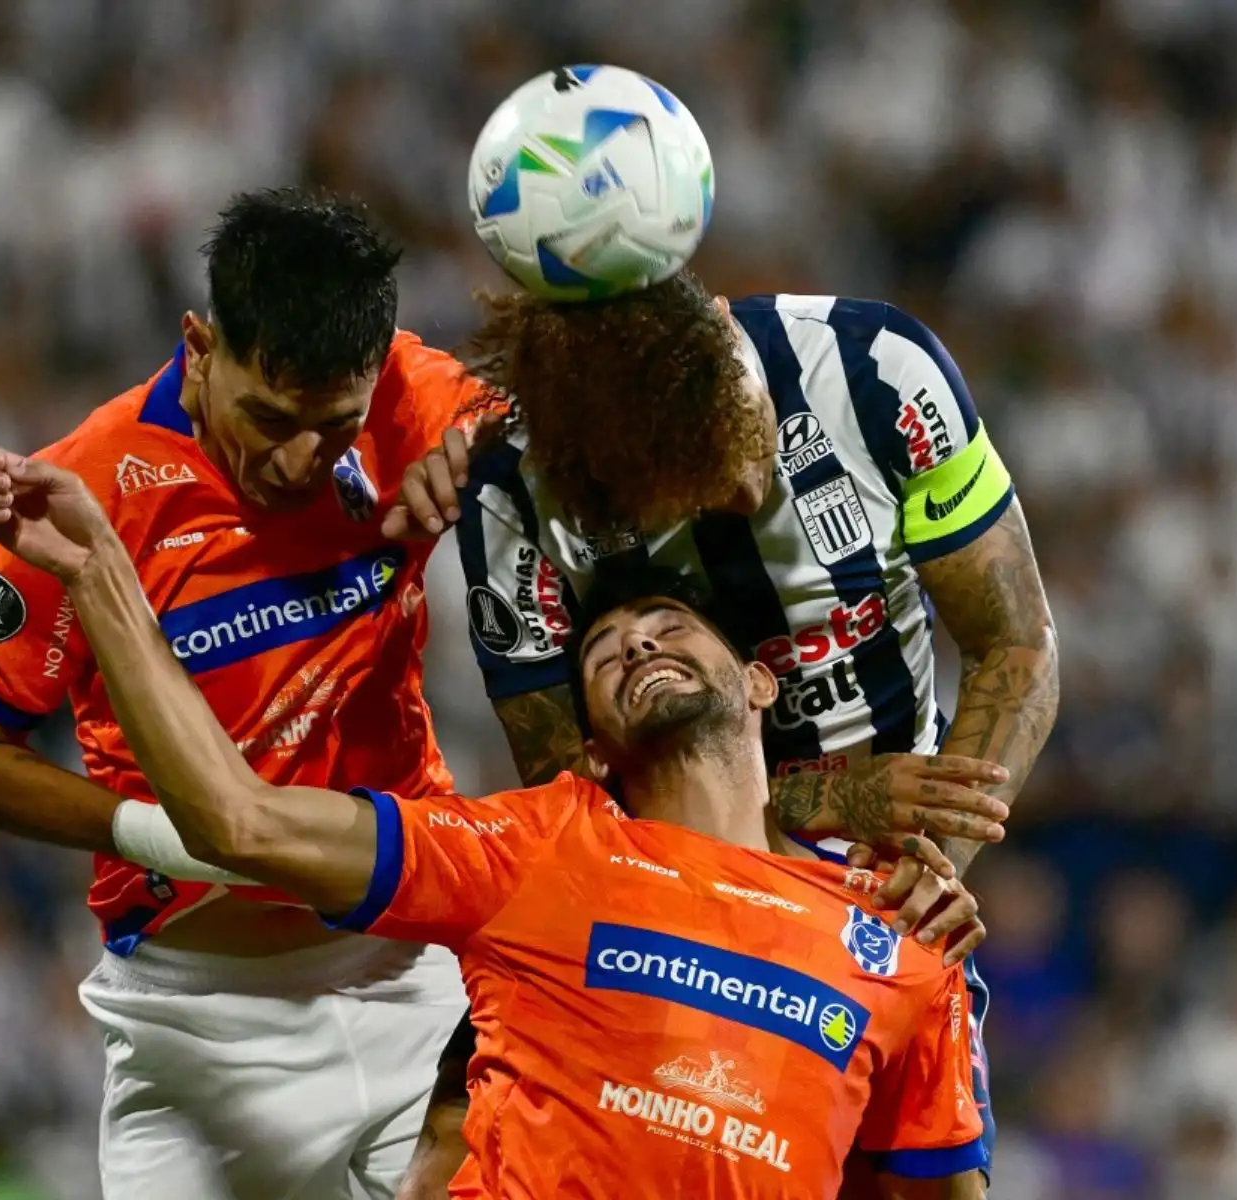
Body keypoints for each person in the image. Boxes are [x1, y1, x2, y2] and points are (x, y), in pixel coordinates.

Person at [0, 444, 998, 1199]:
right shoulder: (537, 848)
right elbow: (242, 823)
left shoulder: (905, 938)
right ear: (593, 750)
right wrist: (102, 576)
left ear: (762, 682)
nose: (638, 644)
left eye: (669, 625)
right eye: (605, 653)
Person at [385, 273, 1059, 1196]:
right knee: (453, 1143)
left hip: (874, 898)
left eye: (746, 433)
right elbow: (582, 789)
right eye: (697, 486)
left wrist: (926, 871)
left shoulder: (876, 369)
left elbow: (1018, 644)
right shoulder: (517, 495)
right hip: (657, 899)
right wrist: (824, 796)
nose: (747, 488)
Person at [0, 188, 496, 1200]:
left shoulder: (415, 398)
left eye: (334, 427)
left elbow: (566, 448)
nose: (299, 459)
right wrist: (158, 835)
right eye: (269, 418)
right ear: (199, 347)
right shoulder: (88, 490)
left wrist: (492, 463)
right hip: (197, 1025)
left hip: (420, 974)